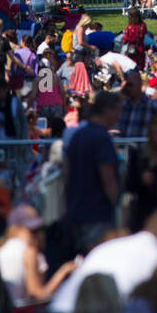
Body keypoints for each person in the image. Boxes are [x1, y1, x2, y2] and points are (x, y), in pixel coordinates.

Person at [63, 91, 121, 252]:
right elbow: (108, 178)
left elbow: (66, 175)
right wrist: (116, 203)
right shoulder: (102, 139)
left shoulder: (77, 136)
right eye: (117, 110)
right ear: (107, 110)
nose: (118, 115)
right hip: (97, 214)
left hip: (75, 211)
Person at [0, 205, 77, 310]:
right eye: (32, 231)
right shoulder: (29, 252)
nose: (38, 236)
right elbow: (37, 295)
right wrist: (63, 272)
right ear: (16, 230)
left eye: (39, 230)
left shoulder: (0, 249)